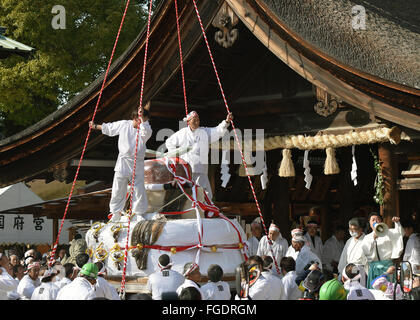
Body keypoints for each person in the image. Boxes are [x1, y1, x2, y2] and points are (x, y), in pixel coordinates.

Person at [90, 108, 152, 222]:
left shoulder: (145, 127)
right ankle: (115, 212)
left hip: (136, 163)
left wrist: (143, 119)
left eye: (145, 120)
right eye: (141, 120)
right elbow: (110, 128)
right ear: (135, 118)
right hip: (123, 161)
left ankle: (139, 213)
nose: (143, 122)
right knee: (118, 188)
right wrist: (95, 126)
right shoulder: (124, 124)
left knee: (138, 189)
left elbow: (146, 133)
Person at [165, 110, 233, 199]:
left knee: (204, 193)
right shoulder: (183, 133)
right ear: (188, 122)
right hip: (186, 168)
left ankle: (206, 210)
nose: (197, 121)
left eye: (198, 119)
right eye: (194, 119)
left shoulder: (204, 131)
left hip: (201, 168)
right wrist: (176, 156)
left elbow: (218, 131)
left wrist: (227, 121)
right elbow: (169, 142)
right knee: (186, 193)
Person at [361, 212, 403, 288]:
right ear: (369, 223)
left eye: (378, 219)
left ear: (381, 221)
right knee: (375, 293)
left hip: (388, 267)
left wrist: (397, 223)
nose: (375, 222)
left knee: (388, 291)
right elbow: (365, 251)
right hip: (375, 268)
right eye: (373, 220)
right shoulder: (367, 237)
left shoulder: (388, 232)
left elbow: (399, 235)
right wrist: (373, 239)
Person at [338, 217, 368, 287]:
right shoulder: (349, 241)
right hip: (348, 270)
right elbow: (344, 257)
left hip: (360, 271)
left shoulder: (367, 240)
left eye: (354, 229)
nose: (352, 231)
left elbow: (368, 260)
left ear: (361, 229)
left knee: (360, 292)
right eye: (350, 229)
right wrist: (341, 272)